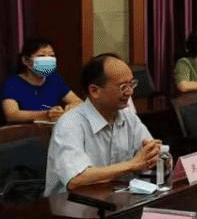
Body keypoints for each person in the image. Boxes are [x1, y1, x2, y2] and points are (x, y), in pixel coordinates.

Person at [44, 54, 162, 196]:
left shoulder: (129, 118)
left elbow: (148, 156)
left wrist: (156, 157)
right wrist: (132, 165)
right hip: (71, 205)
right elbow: (76, 179)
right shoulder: (70, 124)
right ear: (95, 91)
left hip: (117, 200)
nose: (130, 92)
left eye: (132, 84)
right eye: (123, 86)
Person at [2, 38, 82, 124]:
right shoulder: (12, 83)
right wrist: (45, 115)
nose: (47, 59)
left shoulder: (54, 80)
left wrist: (70, 108)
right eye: (41, 56)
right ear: (26, 60)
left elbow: (79, 102)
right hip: (26, 131)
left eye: (51, 56)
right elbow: (11, 115)